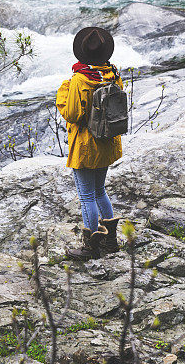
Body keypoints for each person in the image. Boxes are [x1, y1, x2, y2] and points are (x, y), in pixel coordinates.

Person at [56, 26, 122, 260]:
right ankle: (111, 240)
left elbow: (72, 114)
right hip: (106, 140)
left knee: (86, 196)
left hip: (85, 144)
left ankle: (91, 246)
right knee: (99, 190)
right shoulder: (112, 73)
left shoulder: (80, 78)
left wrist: (63, 91)